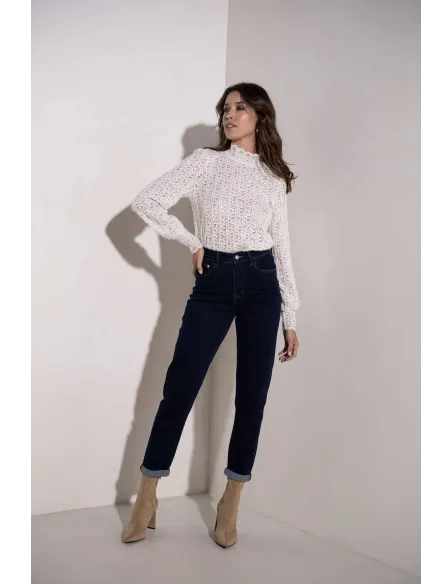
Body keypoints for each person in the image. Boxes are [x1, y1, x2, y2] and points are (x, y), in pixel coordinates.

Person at [122, 82, 300, 548]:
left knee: (253, 398)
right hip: (214, 282)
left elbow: (282, 247)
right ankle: (147, 495)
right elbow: (147, 201)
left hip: (263, 285)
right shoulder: (206, 162)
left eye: (240, 108)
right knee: (179, 387)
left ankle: (231, 501)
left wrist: (291, 314)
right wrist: (191, 241)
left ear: (260, 115)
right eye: (225, 109)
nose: (229, 115)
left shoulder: (273, 177)